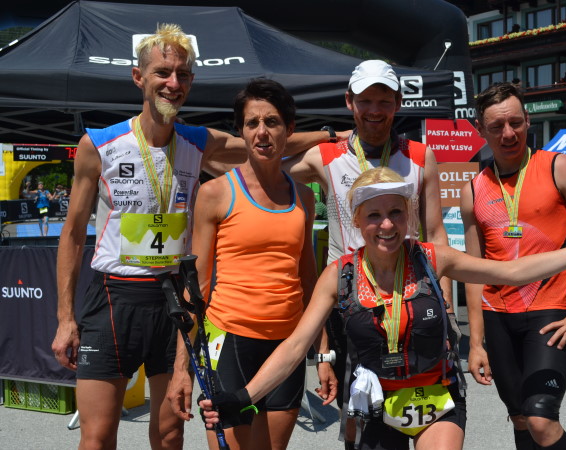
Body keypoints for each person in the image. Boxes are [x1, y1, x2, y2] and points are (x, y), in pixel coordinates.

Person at [198, 167, 566, 450]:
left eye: (396, 213)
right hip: (374, 402)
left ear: (409, 217)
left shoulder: (432, 258)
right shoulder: (340, 275)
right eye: (374, 215)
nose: (386, 225)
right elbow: (296, 346)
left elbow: (511, 272)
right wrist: (243, 397)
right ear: (357, 221)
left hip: (438, 398)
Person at [50, 23, 347, 450]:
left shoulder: (197, 140)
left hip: (177, 300)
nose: (173, 84)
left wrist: (331, 135)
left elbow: (266, 140)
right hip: (116, 295)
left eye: (183, 75)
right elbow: (74, 234)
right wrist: (65, 318)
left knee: (171, 433)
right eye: (162, 73)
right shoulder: (98, 144)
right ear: (138, 77)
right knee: (96, 437)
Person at [283, 59, 452, 448]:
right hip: (351, 305)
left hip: (411, 297)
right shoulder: (326, 154)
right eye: (365, 101)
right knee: (361, 425)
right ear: (349, 102)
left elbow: (436, 233)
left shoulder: (420, 156)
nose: (375, 110)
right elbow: (266, 157)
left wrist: (443, 309)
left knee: (421, 409)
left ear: (398, 103)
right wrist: (327, 133)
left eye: (384, 101)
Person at [167, 78, 332, 450]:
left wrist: (323, 352)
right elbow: (196, 287)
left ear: (289, 130)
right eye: (252, 123)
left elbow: (310, 280)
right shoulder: (215, 193)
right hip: (230, 342)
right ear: (240, 131)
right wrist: (182, 368)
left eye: (272, 122)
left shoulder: (303, 197)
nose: (262, 132)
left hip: (287, 346)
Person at [461, 82, 566, 449]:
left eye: (516, 123)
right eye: (497, 127)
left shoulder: (558, 168)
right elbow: (473, 271)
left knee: (541, 417)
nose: (508, 134)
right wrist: (475, 343)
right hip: (497, 317)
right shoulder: (473, 189)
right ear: (480, 129)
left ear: (528, 119)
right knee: (521, 419)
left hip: (548, 311)